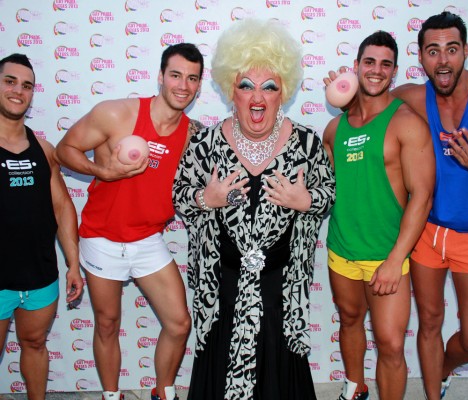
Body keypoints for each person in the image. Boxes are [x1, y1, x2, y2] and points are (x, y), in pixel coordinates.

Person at [173, 19, 335, 400]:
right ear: (231, 90)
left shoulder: (307, 144)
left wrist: (306, 201)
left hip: (282, 289)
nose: (257, 97)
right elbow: (180, 195)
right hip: (222, 288)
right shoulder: (205, 144)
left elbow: (327, 194)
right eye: (246, 85)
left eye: (269, 86)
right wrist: (207, 199)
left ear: (283, 92)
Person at [54, 43, 204, 400]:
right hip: (101, 238)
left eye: (192, 78)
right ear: (160, 77)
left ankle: (163, 392)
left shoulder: (193, 134)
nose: (183, 85)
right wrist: (102, 171)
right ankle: (111, 395)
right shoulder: (116, 113)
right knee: (107, 324)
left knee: (179, 323)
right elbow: (63, 150)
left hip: (148, 240)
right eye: (176, 75)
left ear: (199, 85)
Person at [322, 31, 435, 400]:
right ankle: (355, 388)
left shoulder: (406, 122)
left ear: (395, 71)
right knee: (349, 320)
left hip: (387, 255)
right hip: (341, 251)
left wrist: (395, 259)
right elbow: (327, 189)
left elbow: (423, 197)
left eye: (386, 64)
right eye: (369, 62)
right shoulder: (334, 128)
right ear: (356, 66)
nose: (376, 70)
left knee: (390, 345)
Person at [391, 12, 468, 400]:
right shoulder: (413, 97)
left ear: (466, 50)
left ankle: (444, 368)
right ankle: (433, 394)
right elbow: (366, 106)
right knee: (430, 322)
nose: (443, 60)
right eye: (433, 51)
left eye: (451, 49)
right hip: (427, 231)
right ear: (421, 57)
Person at [0, 53, 83, 400]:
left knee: (35, 344)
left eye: (27, 85)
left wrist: (73, 263)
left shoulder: (44, 150)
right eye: (9, 81)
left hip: (40, 276)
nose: (18, 91)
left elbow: (62, 208)